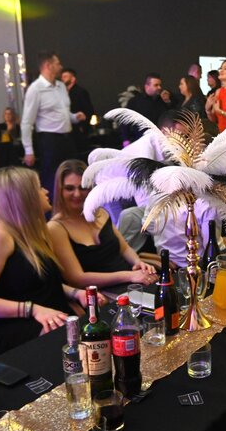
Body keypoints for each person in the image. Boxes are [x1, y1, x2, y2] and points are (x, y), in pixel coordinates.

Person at [0, 167, 98, 359]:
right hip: (6, 325)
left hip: (43, 315)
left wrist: (76, 293)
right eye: (39, 187)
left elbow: (40, 284)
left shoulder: (33, 231)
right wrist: (33, 309)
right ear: (24, 197)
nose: (46, 191)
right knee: (75, 350)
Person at [47, 160, 158, 289]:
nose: (77, 194)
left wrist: (138, 263)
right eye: (69, 188)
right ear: (60, 191)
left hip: (130, 283)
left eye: (83, 187)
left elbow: (124, 248)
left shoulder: (101, 213)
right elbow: (77, 279)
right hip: (99, 294)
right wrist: (129, 276)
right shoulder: (55, 227)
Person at [21, 51, 86, 202]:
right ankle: (51, 211)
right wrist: (28, 150)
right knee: (52, 179)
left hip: (67, 139)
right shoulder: (35, 89)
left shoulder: (61, 86)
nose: (60, 66)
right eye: (57, 63)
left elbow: (63, 112)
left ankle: (72, 207)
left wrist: (74, 117)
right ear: (48, 66)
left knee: (72, 175)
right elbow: (27, 122)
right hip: (49, 141)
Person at [122, 72, 170, 145]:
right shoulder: (135, 101)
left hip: (159, 141)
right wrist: (125, 139)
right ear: (147, 86)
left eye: (160, 85)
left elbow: (168, 118)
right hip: (141, 141)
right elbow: (125, 121)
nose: (159, 87)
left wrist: (167, 102)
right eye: (156, 85)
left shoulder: (162, 101)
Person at [61, 67, 95, 147]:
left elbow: (89, 110)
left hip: (79, 130)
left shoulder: (80, 92)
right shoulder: (63, 93)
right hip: (69, 130)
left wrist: (83, 127)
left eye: (65, 76)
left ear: (73, 79)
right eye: (62, 77)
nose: (62, 79)